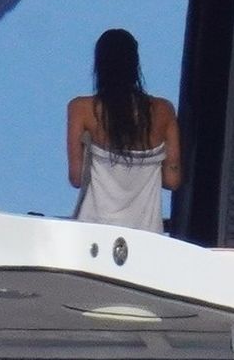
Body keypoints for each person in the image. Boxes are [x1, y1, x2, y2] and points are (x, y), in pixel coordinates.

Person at [67, 28, 182, 233]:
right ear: (135, 65)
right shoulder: (164, 110)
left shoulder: (81, 109)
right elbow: (172, 180)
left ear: (99, 65)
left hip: (94, 231)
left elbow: (77, 178)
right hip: (146, 235)